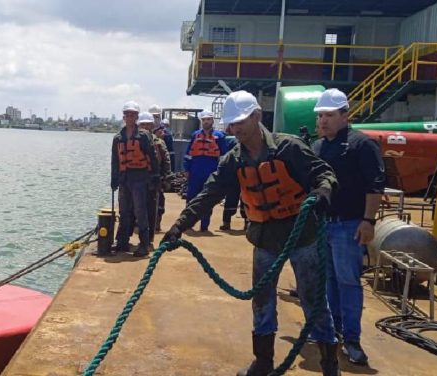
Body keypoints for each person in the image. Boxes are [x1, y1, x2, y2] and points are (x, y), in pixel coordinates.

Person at [162, 91, 340, 376]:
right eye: (232, 124)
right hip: (265, 238)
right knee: (262, 301)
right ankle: (263, 361)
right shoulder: (233, 160)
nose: (236, 128)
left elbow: (324, 173)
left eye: (241, 121)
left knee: (313, 299)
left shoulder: (288, 147)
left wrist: (322, 193)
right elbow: (208, 194)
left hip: (301, 235)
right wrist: (179, 226)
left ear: (257, 117)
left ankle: (330, 363)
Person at [312, 88, 385, 366]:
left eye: (329, 115)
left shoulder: (361, 145)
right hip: (323, 226)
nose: (323, 121)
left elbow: (375, 185)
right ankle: (333, 332)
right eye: (320, 116)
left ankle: (352, 340)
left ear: (345, 115)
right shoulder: (319, 147)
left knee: (348, 282)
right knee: (328, 281)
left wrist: (368, 221)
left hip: (349, 226)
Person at [111, 102, 159, 257]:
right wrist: (114, 178)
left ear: (137, 117)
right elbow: (115, 160)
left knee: (140, 211)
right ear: (124, 117)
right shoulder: (118, 138)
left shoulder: (144, 136)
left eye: (133, 115)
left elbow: (152, 156)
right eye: (127, 115)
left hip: (140, 177)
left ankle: (144, 244)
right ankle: (122, 241)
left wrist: (155, 177)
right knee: (124, 211)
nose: (130, 117)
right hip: (125, 178)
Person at [183, 110, 230, 232]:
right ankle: (188, 223)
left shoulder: (219, 137)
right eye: (204, 120)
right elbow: (188, 154)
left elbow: (224, 156)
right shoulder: (195, 135)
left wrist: (222, 172)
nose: (206, 122)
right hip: (195, 171)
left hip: (211, 171)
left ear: (212, 121)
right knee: (191, 197)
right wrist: (187, 169)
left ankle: (204, 226)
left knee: (207, 198)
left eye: (208, 119)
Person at [138, 112, 171, 245]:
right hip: (137, 180)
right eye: (143, 124)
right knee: (136, 209)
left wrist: (166, 179)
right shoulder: (134, 140)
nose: (145, 127)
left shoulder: (158, 142)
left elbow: (166, 161)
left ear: (153, 125)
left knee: (154, 209)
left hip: (153, 180)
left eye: (148, 124)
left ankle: (149, 238)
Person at [149, 104, 175, 171]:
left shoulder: (166, 134)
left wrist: (171, 171)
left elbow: (170, 154)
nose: (154, 119)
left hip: (161, 168)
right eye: (152, 116)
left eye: (156, 116)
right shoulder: (143, 132)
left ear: (160, 117)